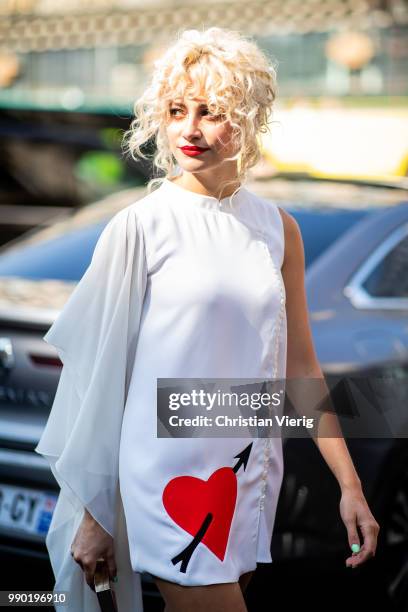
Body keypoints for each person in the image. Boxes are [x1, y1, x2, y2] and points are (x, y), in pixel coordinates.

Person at [35, 27, 380, 612]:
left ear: (246, 120)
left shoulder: (279, 229)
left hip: (247, 472)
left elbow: (302, 369)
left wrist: (351, 486)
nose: (189, 129)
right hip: (164, 479)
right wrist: (97, 514)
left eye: (211, 111)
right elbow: (98, 381)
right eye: (175, 110)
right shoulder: (141, 227)